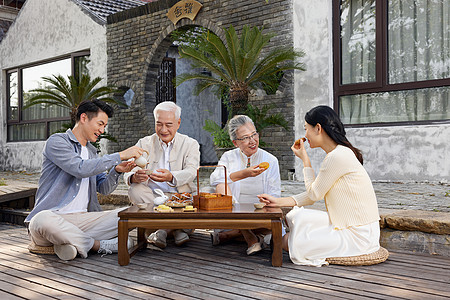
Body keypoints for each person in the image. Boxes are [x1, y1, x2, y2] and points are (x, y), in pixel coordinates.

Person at [258, 105, 380, 266]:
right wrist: (277, 201)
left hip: (358, 236)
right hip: (349, 226)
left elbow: (314, 194)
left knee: (288, 240)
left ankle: (269, 239)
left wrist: (305, 161)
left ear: (318, 128)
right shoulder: (338, 153)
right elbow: (313, 194)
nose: (305, 135)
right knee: (296, 218)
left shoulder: (337, 156)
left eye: (306, 129)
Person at [25, 99, 146, 261]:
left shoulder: (92, 152)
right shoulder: (57, 142)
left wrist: (116, 171)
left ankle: (70, 243)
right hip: (53, 219)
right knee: (41, 219)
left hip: (84, 221)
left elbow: (103, 188)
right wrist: (120, 155)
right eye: (100, 124)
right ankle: (97, 245)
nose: (102, 130)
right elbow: (79, 168)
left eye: (105, 126)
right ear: (84, 118)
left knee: (134, 213)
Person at [124, 101, 200, 248]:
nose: (163, 129)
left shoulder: (190, 144)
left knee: (202, 196)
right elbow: (129, 169)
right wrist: (134, 177)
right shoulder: (143, 143)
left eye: (169, 125)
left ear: (178, 123)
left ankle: (162, 231)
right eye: (159, 124)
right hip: (153, 199)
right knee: (135, 189)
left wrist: (171, 177)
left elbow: (192, 171)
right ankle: (178, 229)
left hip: (180, 197)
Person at [209, 115, 281, 255]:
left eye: (254, 134)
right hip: (231, 212)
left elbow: (275, 194)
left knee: (271, 225)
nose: (252, 141)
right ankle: (250, 238)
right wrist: (244, 173)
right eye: (246, 138)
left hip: (258, 213)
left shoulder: (271, 160)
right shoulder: (228, 157)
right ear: (235, 143)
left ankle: (229, 235)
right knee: (220, 184)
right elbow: (215, 179)